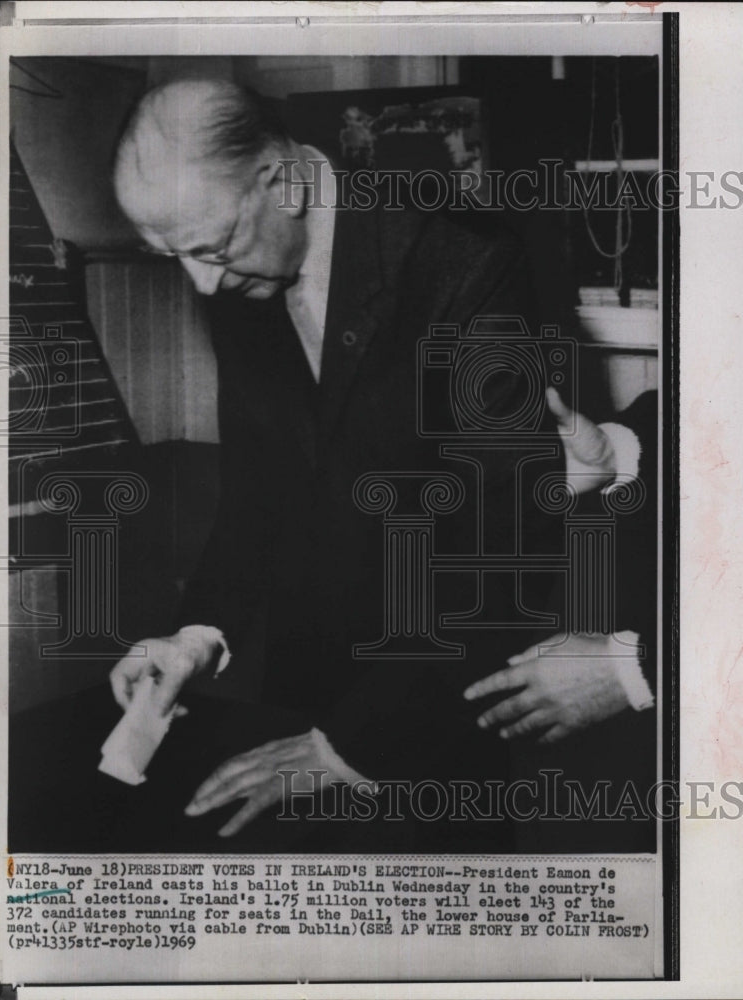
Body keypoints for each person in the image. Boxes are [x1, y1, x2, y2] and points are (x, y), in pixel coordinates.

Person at [108, 78, 656, 848]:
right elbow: (259, 492)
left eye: (209, 248)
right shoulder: (240, 270)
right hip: (310, 679)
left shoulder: (468, 259)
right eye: (172, 257)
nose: (201, 282)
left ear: (285, 182)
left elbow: (496, 546)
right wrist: (194, 635)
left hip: (440, 693)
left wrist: (355, 744)